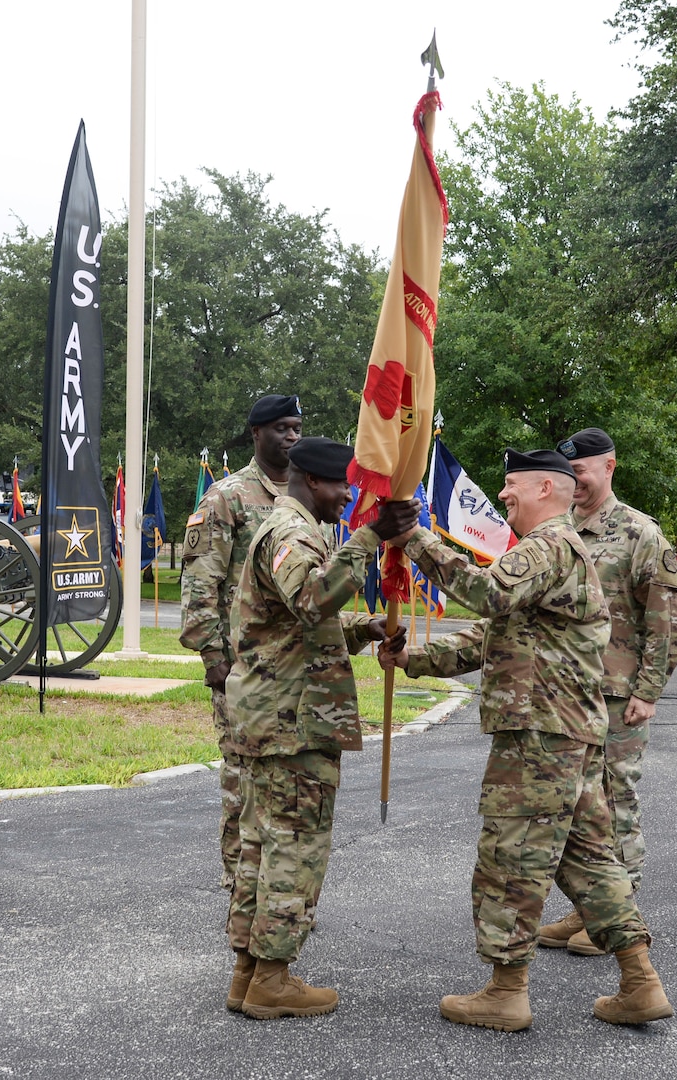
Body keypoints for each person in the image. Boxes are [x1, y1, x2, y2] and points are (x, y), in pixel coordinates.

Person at [378, 448, 673, 1031]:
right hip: (567, 732)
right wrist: (412, 657)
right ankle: (641, 982)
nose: (503, 495)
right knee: (587, 858)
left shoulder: (550, 546)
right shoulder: (551, 555)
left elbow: (485, 594)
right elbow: (491, 634)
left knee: (511, 855)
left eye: (512, 485)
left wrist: (413, 538)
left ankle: (505, 991)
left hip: (540, 735)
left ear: (546, 488)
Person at [222, 436, 417, 1020]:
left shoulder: (298, 527)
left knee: (261, 843)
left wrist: (364, 630)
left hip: (277, 713)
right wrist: (371, 537)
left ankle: (248, 973)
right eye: (342, 487)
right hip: (292, 721)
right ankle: (273, 981)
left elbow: (294, 623)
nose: (348, 498)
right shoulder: (291, 531)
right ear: (311, 481)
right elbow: (310, 599)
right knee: (295, 847)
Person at [538, 427, 677, 955]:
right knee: (580, 807)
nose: (573, 482)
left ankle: (622, 924)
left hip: (619, 695)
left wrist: (648, 691)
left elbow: (666, 623)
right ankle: (590, 908)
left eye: (580, 472)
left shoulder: (640, 534)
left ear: (609, 468)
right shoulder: (559, 531)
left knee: (615, 801)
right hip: (567, 694)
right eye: (567, 473)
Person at [179, 392, 303, 891]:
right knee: (243, 781)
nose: (292, 437)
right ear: (257, 434)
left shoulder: (305, 498)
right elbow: (200, 582)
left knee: (288, 782)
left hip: (296, 669)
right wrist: (212, 654)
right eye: (281, 428)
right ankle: (243, 886)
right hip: (242, 668)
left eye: (297, 428)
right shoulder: (227, 497)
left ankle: (280, 889)